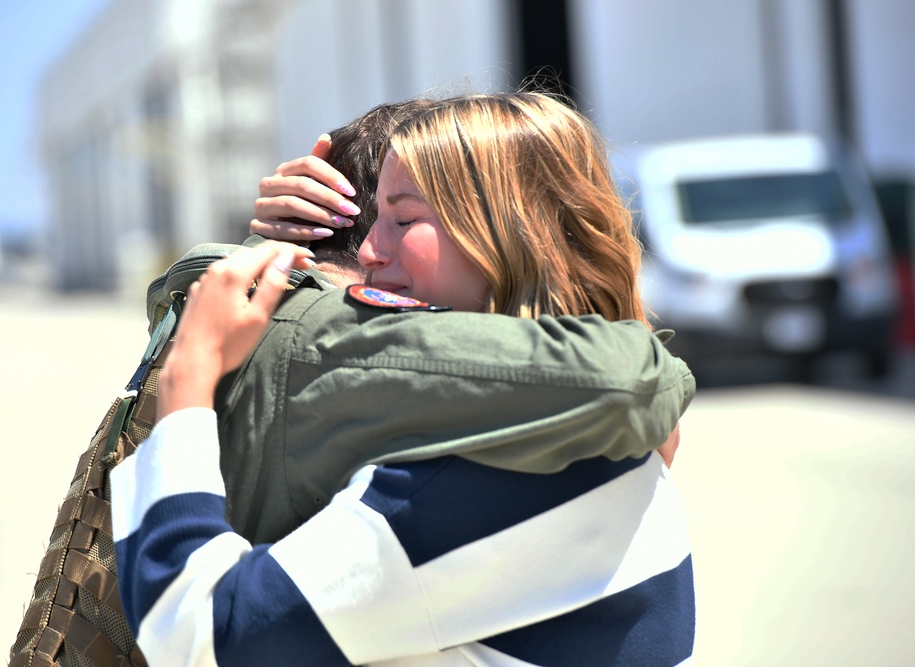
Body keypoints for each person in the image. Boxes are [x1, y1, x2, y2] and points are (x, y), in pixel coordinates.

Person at [110, 92, 696, 665]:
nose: (366, 251)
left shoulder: (471, 477)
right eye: (368, 219)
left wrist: (189, 379)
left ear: (515, 232)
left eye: (404, 218)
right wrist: (283, 249)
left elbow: (198, 631)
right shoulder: (590, 431)